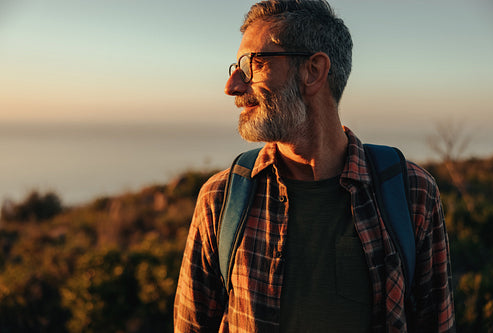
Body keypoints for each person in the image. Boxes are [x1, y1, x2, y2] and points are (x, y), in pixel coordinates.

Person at [174, 0, 455, 332]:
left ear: (313, 71)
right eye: (236, 67)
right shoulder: (221, 199)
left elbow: (437, 323)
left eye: (253, 63)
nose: (233, 85)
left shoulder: (411, 193)